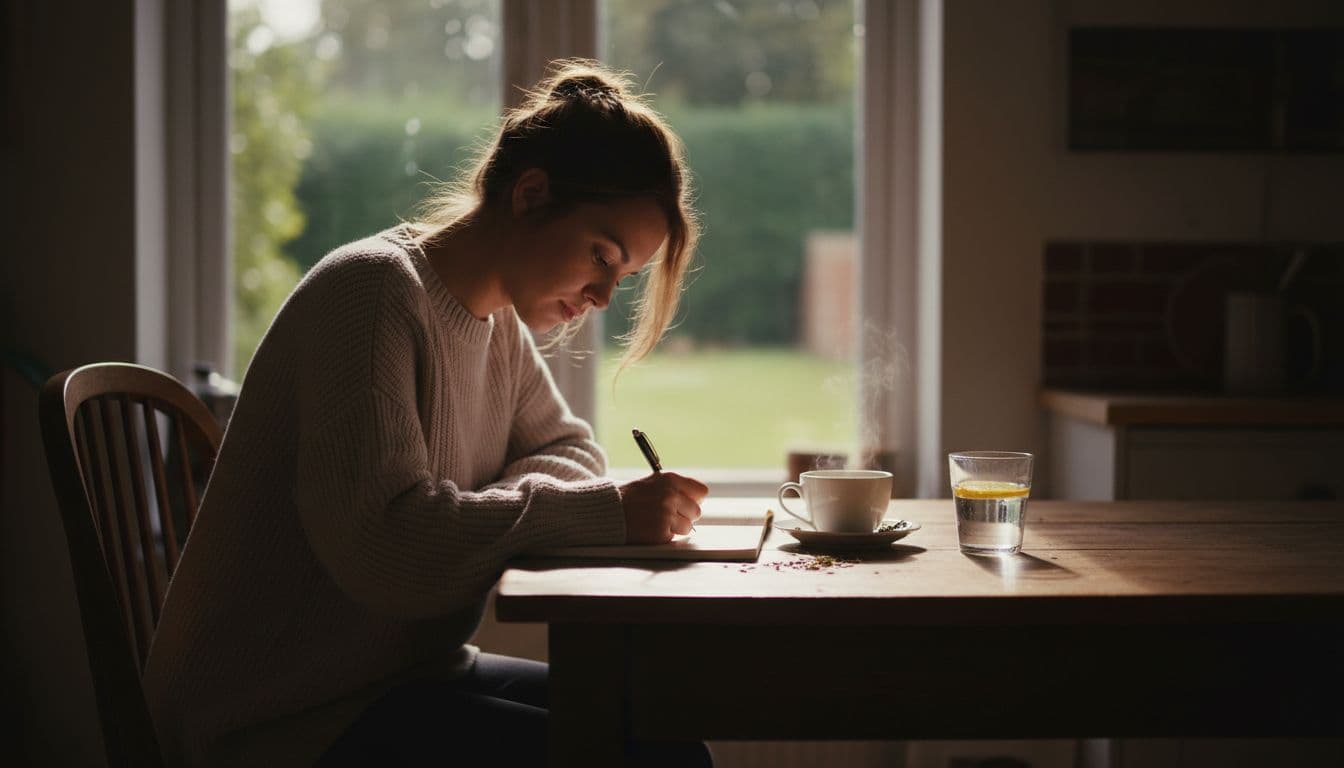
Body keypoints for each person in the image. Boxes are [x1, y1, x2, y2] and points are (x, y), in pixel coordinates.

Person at [144, 59, 713, 767]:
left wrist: (476, 508)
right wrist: (595, 513)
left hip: (402, 677)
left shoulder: (495, 320)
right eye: (601, 255)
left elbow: (571, 451)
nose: (601, 297)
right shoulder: (373, 294)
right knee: (650, 761)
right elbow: (388, 549)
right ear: (531, 195)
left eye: (620, 278)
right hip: (274, 716)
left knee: (668, 740)